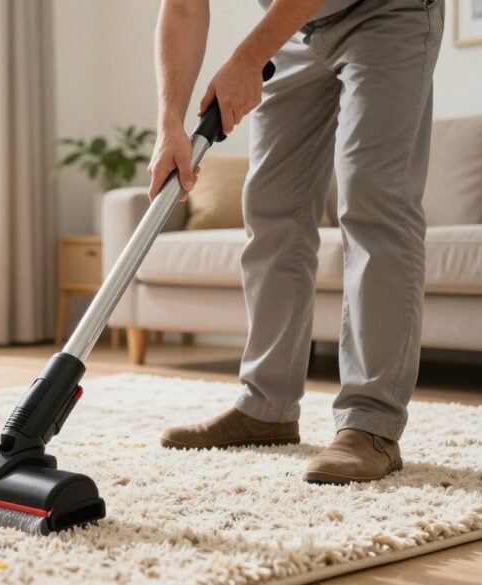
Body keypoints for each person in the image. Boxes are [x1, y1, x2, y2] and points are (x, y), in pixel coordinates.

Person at [148, 0, 444, 483]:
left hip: (390, 10)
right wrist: (169, 124)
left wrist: (245, 59)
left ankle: (371, 424)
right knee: (271, 207)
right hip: (297, 27)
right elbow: (181, 7)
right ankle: (267, 406)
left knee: (373, 200)